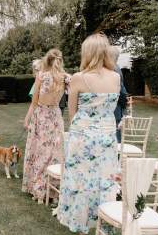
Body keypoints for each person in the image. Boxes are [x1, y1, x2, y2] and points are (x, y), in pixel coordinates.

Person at [57, 33, 120, 234]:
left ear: (88, 53)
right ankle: (104, 222)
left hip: (82, 136)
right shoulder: (116, 77)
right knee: (105, 180)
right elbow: (110, 108)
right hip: (107, 136)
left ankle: (80, 221)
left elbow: (72, 111)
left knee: (81, 181)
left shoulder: (78, 78)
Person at [21, 49, 69, 204]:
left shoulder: (41, 76)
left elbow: (34, 102)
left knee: (39, 152)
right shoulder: (65, 78)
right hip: (56, 117)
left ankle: (38, 188)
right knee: (55, 152)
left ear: (45, 61)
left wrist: (26, 119)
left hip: (41, 117)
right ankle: (53, 189)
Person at [108, 46, 128, 142]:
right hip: (116, 106)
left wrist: (124, 105)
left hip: (115, 106)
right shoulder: (116, 67)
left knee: (116, 133)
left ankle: (117, 155)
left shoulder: (113, 69)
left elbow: (121, 90)